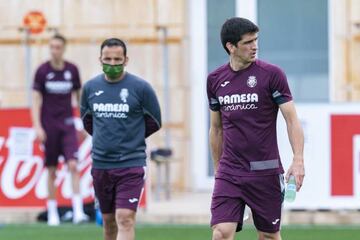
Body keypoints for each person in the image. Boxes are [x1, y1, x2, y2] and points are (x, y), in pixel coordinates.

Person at [207, 17, 305, 240]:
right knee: (221, 233)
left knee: (269, 236)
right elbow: (216, 129)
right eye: (248, 42)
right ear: (230, 47)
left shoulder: (272, 75)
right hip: (230, 171)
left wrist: (298, 160)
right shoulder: (214, 80)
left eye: (256, 40)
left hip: (265, 171)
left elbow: (291, 119)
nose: (255, 46)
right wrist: (218, 169)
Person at [80, 38, 161, 240]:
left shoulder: (141, 88)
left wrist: (130, 137)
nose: (113, 64)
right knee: (108, 223)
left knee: (125, 218)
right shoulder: (90, 88)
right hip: (101, 165)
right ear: (100, 59)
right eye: (108, 59)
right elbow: (87, 121)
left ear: (126, 60)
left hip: (131, 164)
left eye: (118, 59)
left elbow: (155, 122)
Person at [31, 34, 88, 226]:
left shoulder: (72, 70)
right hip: (49, 125)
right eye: (52, 47)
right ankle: (53, 211)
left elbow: (79, 98)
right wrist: (38, 126)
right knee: (52, 169)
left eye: (58, 47)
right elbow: (36, 101)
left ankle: (78, 211)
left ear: (63, 48)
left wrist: (82, 122)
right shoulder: (42, 71)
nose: (54, 50)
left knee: (73, 165)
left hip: (67, 124)